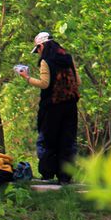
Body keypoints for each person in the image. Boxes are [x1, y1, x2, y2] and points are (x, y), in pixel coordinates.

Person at [17, 31, 80, 184]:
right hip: (70, 106)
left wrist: (27, 78)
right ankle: (65, 177)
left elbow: (45, 84)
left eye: (37, 49)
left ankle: (47, 174)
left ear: (41, 46)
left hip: (52, 107)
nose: (38, 52)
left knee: (47, 141)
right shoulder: (68, 58)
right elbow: (78, 81)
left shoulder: (46, 61)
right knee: (67, 141)